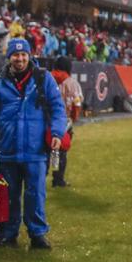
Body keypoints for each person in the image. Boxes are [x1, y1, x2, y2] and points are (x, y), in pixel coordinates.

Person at [0, 38, 66, 249]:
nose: (20, 59)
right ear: (9, 57)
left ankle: (37, 234)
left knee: (36, 194)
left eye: (23, 55)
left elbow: (58, 108)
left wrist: (57, 132)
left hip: (36, 150)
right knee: (8, 196)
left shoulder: (43, 78)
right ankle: (8, 234)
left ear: (29, 56)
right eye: (15, 55)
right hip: (8, 150)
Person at [50, 56, 83, 187]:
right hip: (64, 122)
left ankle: (43, 174)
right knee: (61, 151)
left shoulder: (48, 78)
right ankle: (57, 178)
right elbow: (77, 103)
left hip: (48, 120)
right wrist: (74, 117)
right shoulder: (72, 83)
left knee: (46, 149)